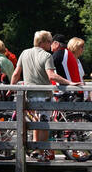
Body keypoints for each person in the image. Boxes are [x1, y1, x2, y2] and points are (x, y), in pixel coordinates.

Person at [14, 31, 60, 160]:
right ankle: (41, 152)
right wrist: (70, 82)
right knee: (44, 124)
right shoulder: (46, 56)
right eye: (49, 41)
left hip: (30, 96)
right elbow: (51, 75)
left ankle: (36, 150)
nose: (51, 44)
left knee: (35, 121)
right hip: (44, 95)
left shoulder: (24, 53)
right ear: (43, 42)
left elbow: (16, 74)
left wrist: (10, 88)